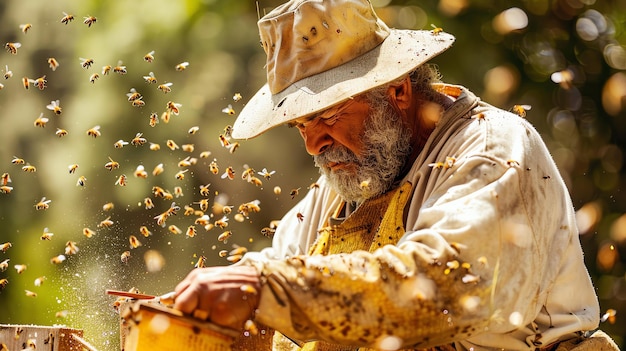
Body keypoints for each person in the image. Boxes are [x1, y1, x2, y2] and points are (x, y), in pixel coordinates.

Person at [173, 0, 620, 350]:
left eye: (327, 116)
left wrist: (263, 287)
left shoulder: (491, 149)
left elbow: (445, 287)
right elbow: (275, 291)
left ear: (398, 89)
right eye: (301, 125)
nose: (313, 144)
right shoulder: (337, 192)